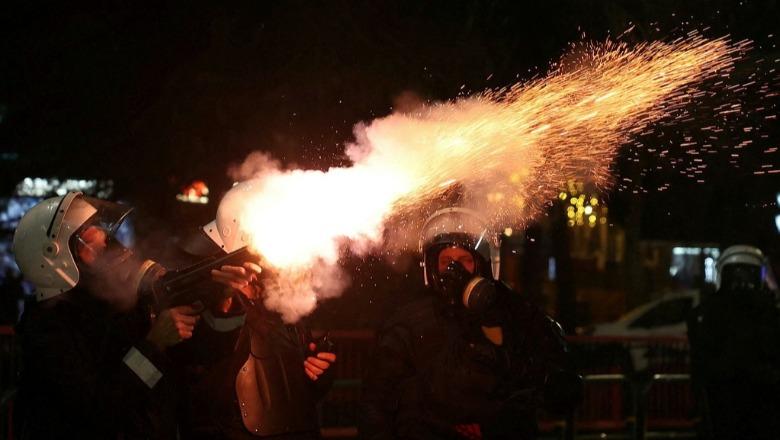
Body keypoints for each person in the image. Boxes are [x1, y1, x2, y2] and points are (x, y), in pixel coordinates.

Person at [10, 192, 251, 439]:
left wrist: (224, 297)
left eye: (97, 226)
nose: (103, 237)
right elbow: (99, 412)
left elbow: (205, 355)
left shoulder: (114, 303)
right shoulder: (48, 331)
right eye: (87, 233)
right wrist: (154, 344)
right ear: (58, 258)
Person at [360, 207, 581, 440]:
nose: (454, 270)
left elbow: (568, 392)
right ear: (430, 268)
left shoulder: (517, 315)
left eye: (464, 260)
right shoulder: (407, 325)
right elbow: (375, 405)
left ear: (484, 265)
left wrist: (528, 373)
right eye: (446, 260)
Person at [168, 180, 337, 439]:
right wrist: (225, 306)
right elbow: (202, 382)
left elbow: (291, 395)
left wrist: (317, 374)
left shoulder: (283, 298)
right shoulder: (201, 297)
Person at [686, 245, 780, 440]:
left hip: (721, 400)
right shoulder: (768, 311)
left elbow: (699, 359)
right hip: (760, 403)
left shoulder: (707, 312)